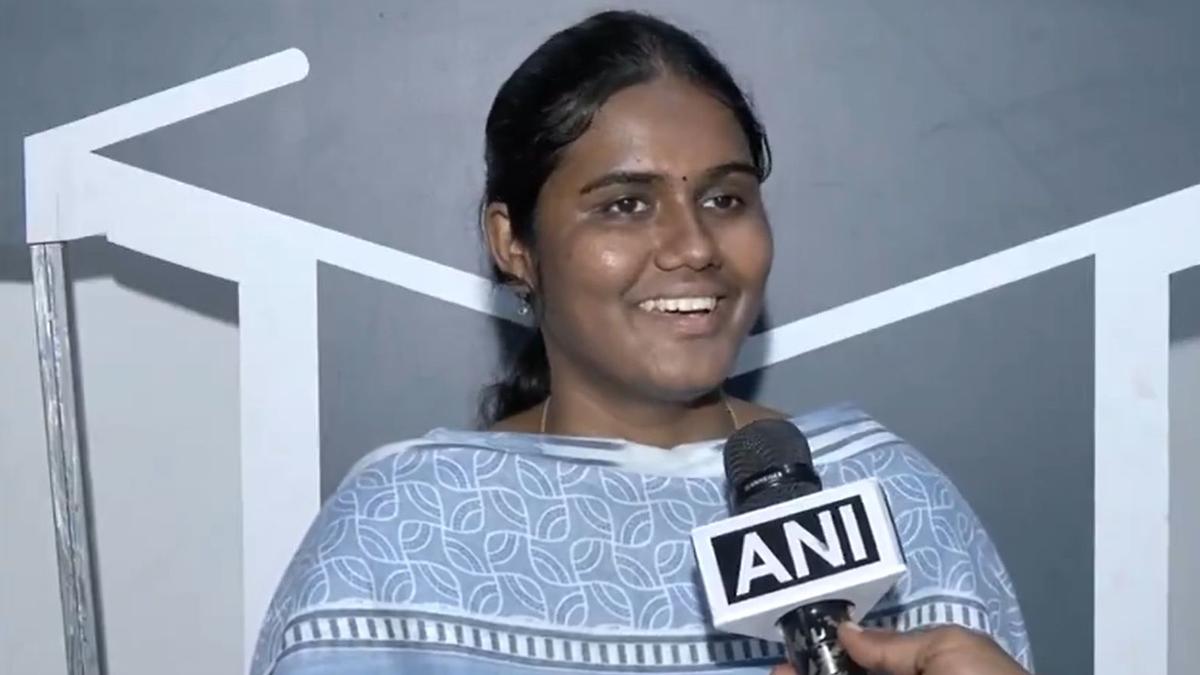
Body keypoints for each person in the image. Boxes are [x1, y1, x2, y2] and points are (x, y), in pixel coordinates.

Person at [252, 10, 1033, 675]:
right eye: (626, 204)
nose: (694, 245)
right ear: (513, 243)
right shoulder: (399, 534)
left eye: (725, 198)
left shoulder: (893, 499)